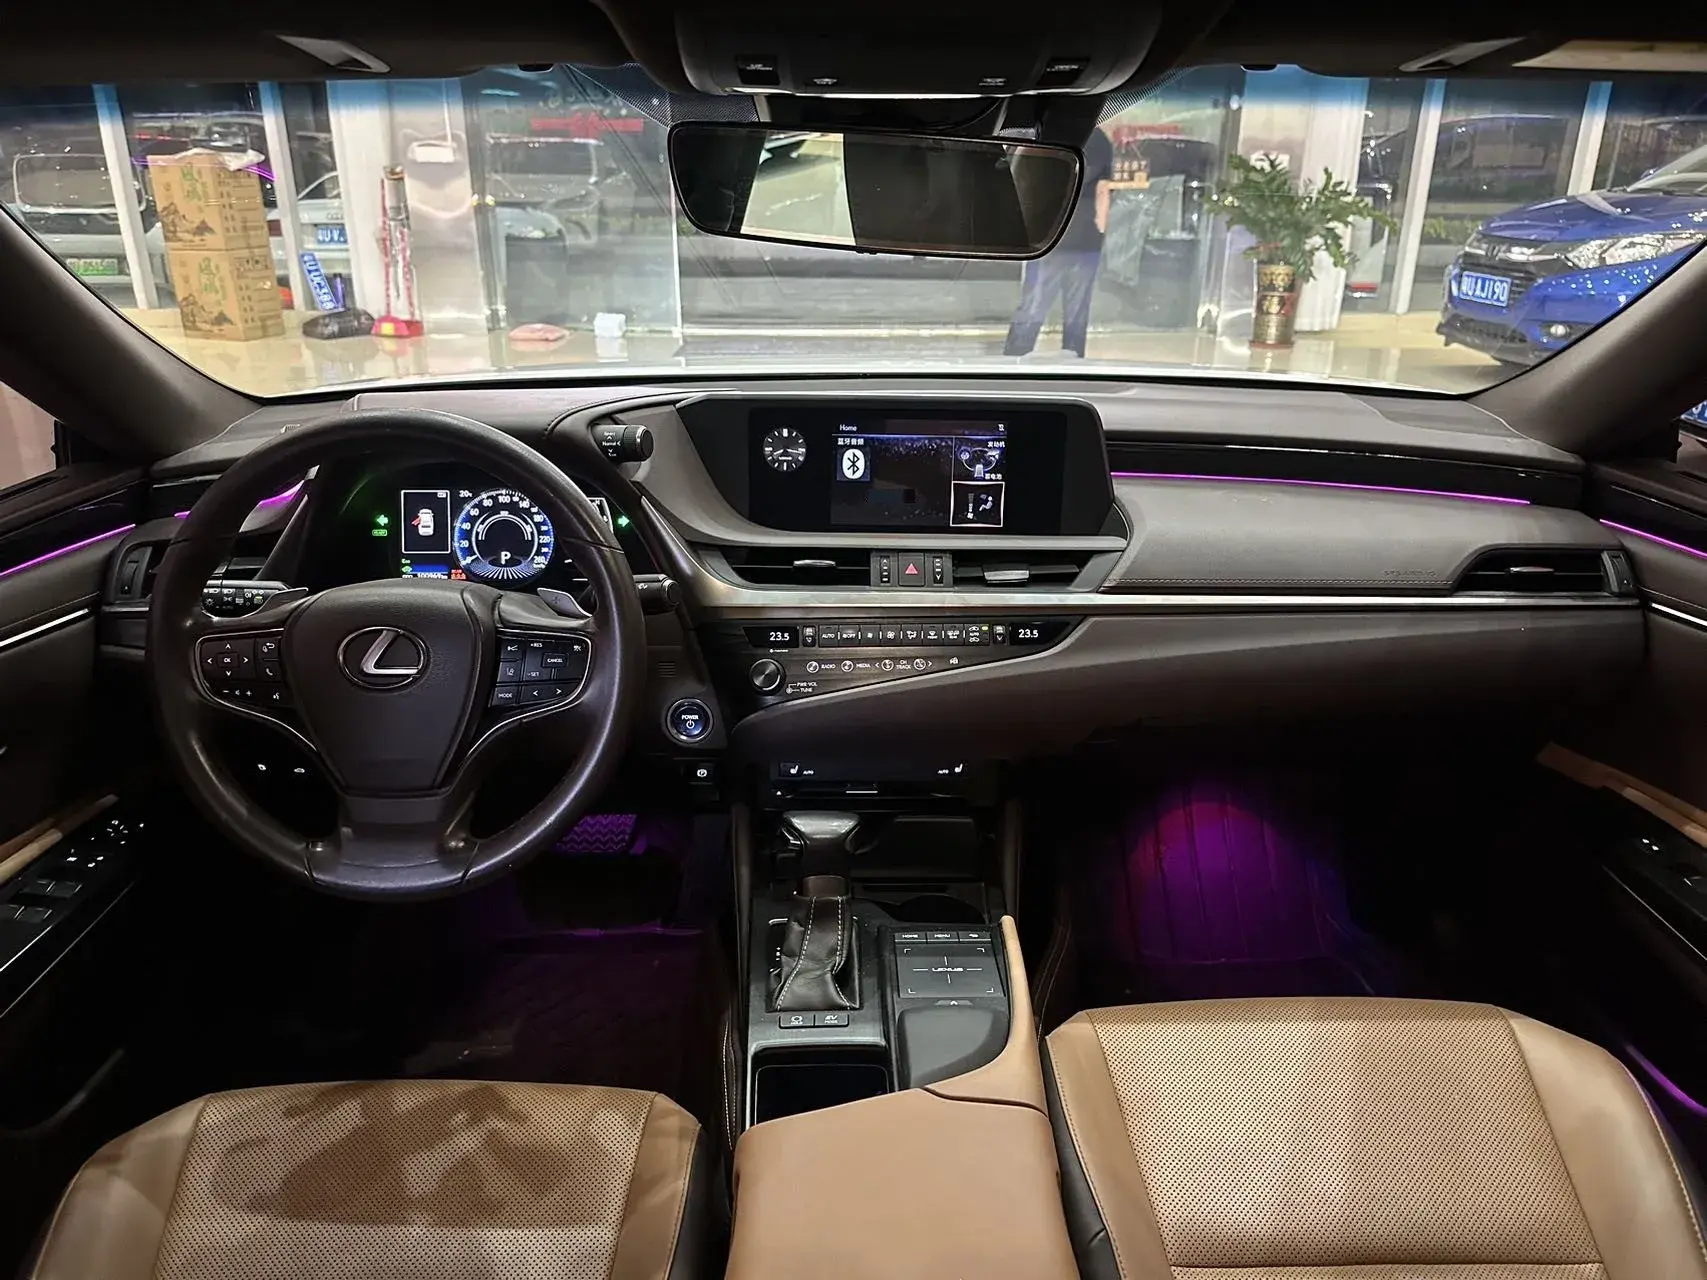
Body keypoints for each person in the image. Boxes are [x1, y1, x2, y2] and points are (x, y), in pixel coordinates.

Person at [1003, 123, 1115, 358]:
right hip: (1086, 242)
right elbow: (1103, 191)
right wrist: (1099, 233)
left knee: (1033, 306)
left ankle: (1014, 360)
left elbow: (1027, 185)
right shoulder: (1101, 140)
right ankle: (1072, 362)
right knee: (1077, 312)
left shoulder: (1047, 134)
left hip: (1047, 240)